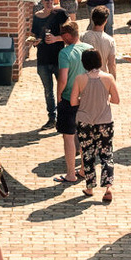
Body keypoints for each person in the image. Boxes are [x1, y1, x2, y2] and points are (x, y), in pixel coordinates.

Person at [71, 47, 120, 202]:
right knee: (106, 153)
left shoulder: (80, 79)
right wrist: (105, 100)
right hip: (104, 120)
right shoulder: (108, 78)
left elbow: (73, 101)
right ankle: (108, 187)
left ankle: (90, 187)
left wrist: (83, 100)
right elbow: (116, 99)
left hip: (85, 121)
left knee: (87, 153)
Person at [55, 21, 94, 184]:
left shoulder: (65, 53)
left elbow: (63, 79)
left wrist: (58, 95)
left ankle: (71, 173)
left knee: (69, 137)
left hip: (69, 99)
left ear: (67, 35)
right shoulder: (89, 49)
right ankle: (84, 169)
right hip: (87, 98)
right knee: (85, 135)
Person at [29, 0, 70, 129]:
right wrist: (34, 41)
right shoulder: (37, 16)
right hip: (43, 59)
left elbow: (72, 33)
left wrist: (56, 38)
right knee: (48, 91)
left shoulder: (60, 14)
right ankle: (52, 118)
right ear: (41, 1)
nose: (49, 2)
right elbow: (35, 35)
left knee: (64, 89)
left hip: (59, 58)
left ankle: (65, 117)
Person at [83, 5, 119, 78]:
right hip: (101, 78)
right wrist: (113, 82)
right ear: (105, 21)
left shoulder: (82, 37)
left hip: (85, 78)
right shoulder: (110, 40)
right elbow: (111, 64)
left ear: (92, 19)